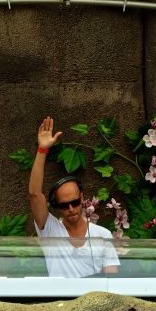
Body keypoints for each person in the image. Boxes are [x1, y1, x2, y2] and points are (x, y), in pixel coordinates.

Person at [29, 116, 120, 277]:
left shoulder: (103, 235)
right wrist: (42, 150)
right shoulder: (50, 229)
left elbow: (111, 279)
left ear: (82, 197)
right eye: (64, 205)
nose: (71, 209)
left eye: (75, 202)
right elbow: (35, 193)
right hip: (59, 301)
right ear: (56, 205)